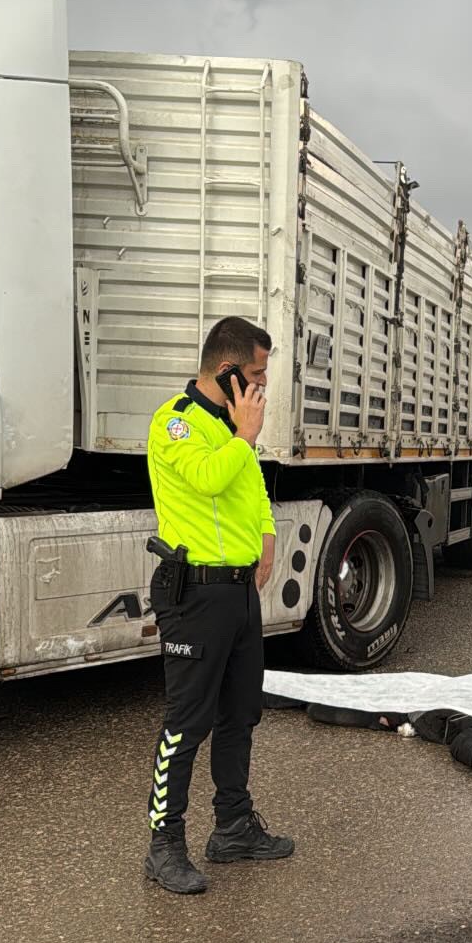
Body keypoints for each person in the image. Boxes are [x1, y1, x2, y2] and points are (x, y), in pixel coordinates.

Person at [143, 317, 295, 894]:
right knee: (186, 724)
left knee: (240, 714)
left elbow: (249, 486)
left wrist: (267, 533)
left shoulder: (232, 428)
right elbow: (209, 479)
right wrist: (245, 435)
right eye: (255, 375)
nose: (262, 386)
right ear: (227, 371)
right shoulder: (176, 423)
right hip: (195, 594)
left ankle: (233, 828)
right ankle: (164, 846)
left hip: (238, 592)